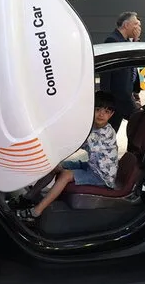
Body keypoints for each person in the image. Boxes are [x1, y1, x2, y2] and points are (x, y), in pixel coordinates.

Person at [14, 91, 119, 221]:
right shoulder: (92, 126)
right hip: (92, 166)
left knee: (65, 175)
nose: (101, 114)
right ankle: (29, 196)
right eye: (98, 110)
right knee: (55, 165)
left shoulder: (106, 132)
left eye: (107, 112)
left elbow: (76, 143)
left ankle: (36, 212)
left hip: (102, 176)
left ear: (111, 114)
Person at [99, 12, 142, 132]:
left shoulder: (124, 41)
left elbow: (134, 60)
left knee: (113, 129)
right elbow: (107, 72)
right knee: (139, 123)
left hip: (124, 95)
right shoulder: (113, 40)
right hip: (117, 97)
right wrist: (107, 97)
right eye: (135, 24)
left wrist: (136, 40)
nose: (138, 28)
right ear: (126, 25)